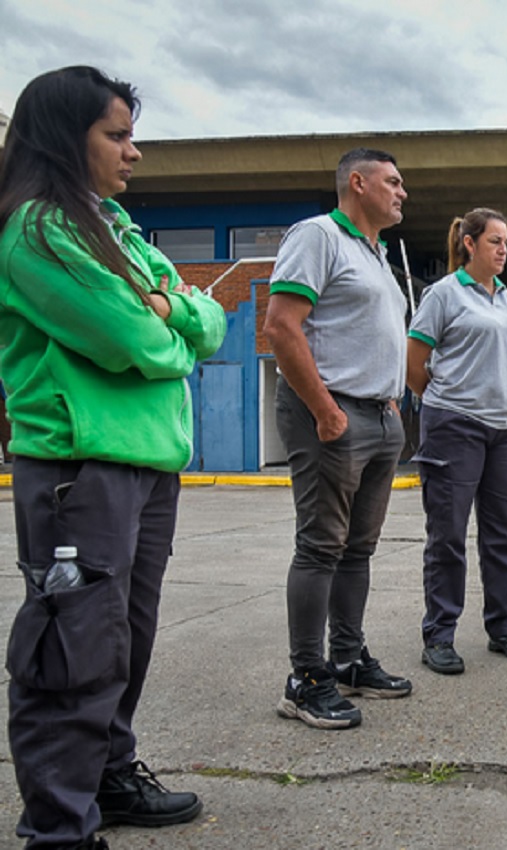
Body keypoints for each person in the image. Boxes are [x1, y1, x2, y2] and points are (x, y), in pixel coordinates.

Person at [0, 66, 227, 848]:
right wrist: (170, 324)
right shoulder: (36, 231)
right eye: (117, 135)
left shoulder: (119, 230)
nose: (134, 152)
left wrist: (173, 313)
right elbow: (133, 340)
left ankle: (108, 776)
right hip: (80, 467)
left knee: (125, 639)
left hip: (148, 464)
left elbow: (212, 320)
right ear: (67, 138)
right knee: (73, 649)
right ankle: (60, 826)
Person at [265, 148, 413, 730]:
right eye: (393, 182)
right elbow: (281, 326)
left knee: (358, 548)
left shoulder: (377, 254)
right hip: (331, 414)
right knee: (321, 546)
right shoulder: (318, 236)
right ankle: (305, 679)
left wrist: (389, 401)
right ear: (358, 182)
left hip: (377, 415)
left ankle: (348, 660)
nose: (402, 193)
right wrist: (326, 411)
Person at [407, 208, 507, 675]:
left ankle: (503, 627)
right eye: (495, 241)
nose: (503, 250)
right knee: (448, 536)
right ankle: (440, 635)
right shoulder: (443, 294)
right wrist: (449, 402)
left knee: (503, 536)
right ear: (469, 243)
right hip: (456, 427)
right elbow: (414, 363)